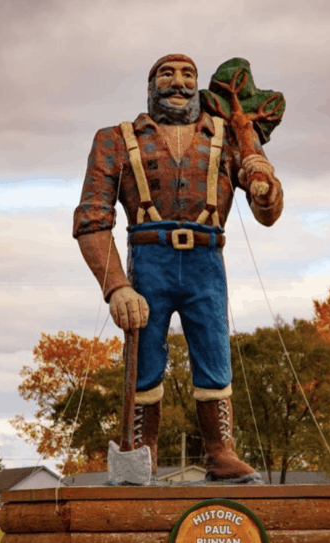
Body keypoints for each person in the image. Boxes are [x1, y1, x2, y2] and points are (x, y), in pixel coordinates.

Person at [73, 54, 283, 483]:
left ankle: (221, 451)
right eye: (166, 74)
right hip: (149, 260)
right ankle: (141, 450)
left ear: (200, 85)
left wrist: (266, 194)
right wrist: (116, 286)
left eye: (188, 75)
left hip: (207, 259)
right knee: (144, 357)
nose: (178, 83)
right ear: (150, 85)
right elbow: (91, 219)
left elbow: (268, 212)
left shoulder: (227, 137)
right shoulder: (115, 139)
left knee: (214, 351)